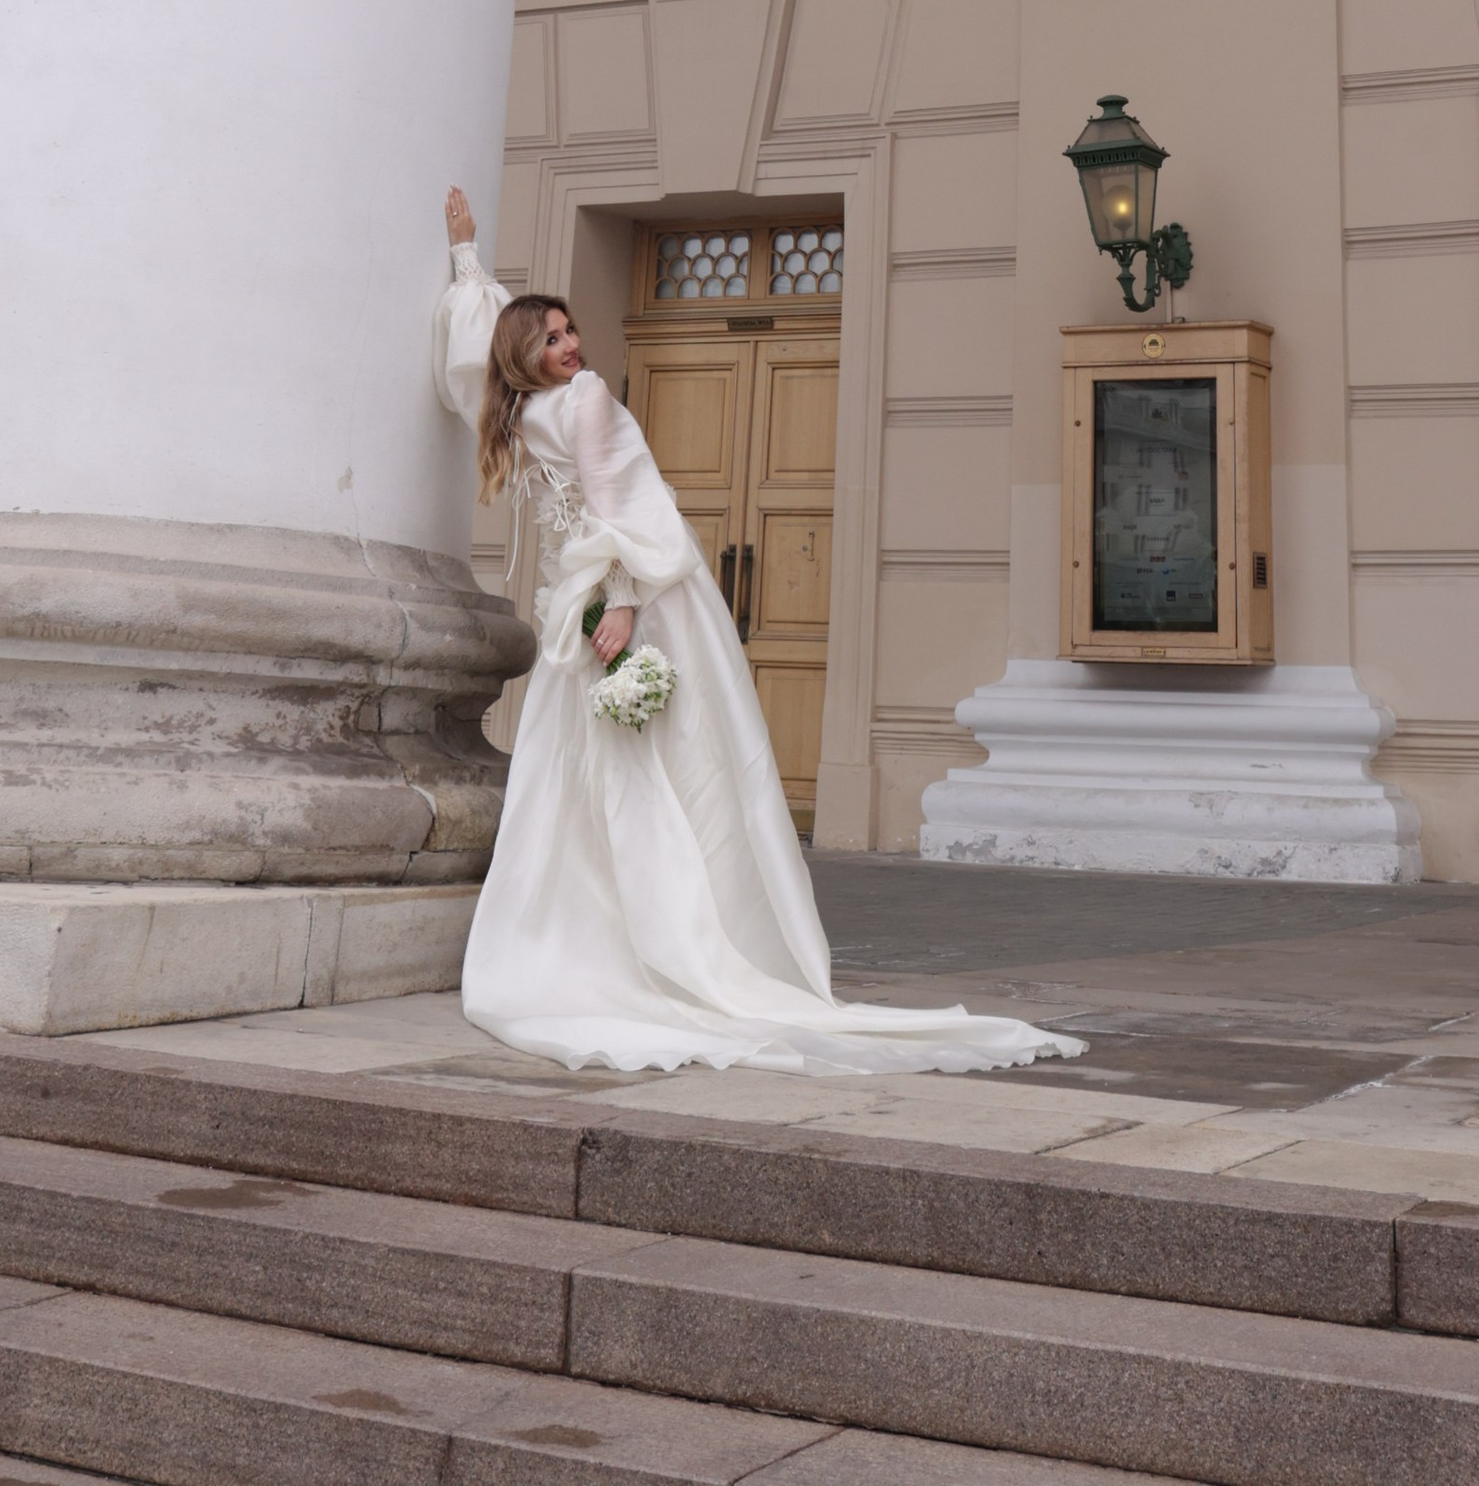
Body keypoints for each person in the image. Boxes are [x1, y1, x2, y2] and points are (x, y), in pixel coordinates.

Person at [433, 191, 1079, 1077]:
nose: (571, 344)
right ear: (527, 356)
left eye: (571, 329)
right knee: (647, 769)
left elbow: (491, 374)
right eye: (550, 338)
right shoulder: (574, 403)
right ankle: (638, 938)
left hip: (596, 607)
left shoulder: (521, 413)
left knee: (623, 771)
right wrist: (620, 601)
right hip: (627, 601)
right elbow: (625, 507)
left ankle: (627, 937)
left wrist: (469, 263)